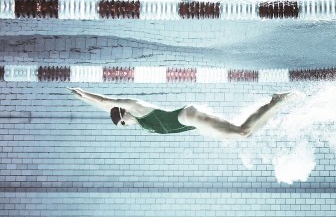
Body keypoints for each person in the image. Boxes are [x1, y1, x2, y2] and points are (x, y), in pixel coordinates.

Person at [67, 87, 294, 139]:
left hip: (188, 116)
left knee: (241, 132)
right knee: (246, 134)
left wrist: (83, 95)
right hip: (193, 123)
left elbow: (106, 102)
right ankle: (275, 107)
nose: (125, 126)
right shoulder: (144, 124)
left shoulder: (136, 108)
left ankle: (276, 101)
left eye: (122, 123)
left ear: (123, 113)